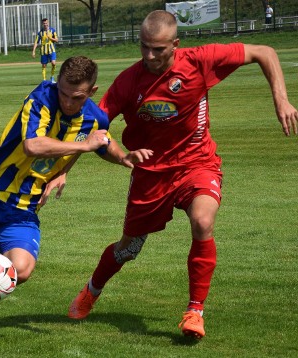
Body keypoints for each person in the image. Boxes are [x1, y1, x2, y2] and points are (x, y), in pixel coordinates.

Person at [67, 10, 298, 340]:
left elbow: (265, 51)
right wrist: (63, 172)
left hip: (197, 164)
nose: (149, 56)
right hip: (150, 174)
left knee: (203, 221)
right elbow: (94, 129)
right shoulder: (128, 82)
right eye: (144, 47)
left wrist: (281, 100)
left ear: (175, 44)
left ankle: (195, 311)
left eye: (158, 49)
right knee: (128, 249)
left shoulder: (201, 61)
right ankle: (92, 290)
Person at [0, 56, 153, 357]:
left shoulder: (94, 117)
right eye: (64, 93)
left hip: (23, 205)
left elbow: (103, 140)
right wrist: (84, 146)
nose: (69, 102)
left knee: (20, 269)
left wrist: (123, 157)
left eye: (78, 97)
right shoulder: (41, 97)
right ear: (57, 83)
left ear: (92, 91)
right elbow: (33, 145)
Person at [32, 18, 58, 82]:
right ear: (42, 24)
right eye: (44, 23)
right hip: (43, 50)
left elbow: (57, 40)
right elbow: (36, 42)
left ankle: (52, 77)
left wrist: (50, 38)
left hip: (51, 49)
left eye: (46, 23)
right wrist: (33, 51)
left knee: (53, 63)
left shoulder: (52, 30)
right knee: (44, 65)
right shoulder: (40, 32)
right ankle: (44, 79)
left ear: (48, 23)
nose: (45, 24)